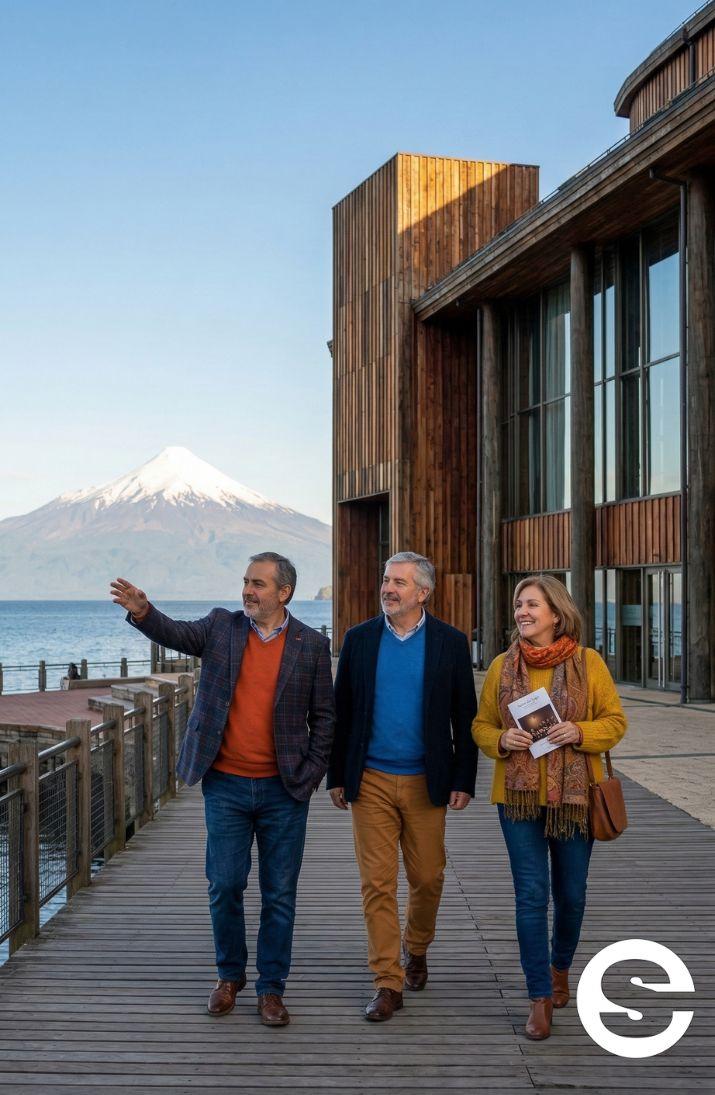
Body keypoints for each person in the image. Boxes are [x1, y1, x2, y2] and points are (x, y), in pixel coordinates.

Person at [109, 553, 335, 1027]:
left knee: (279, 893)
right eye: (246, 581)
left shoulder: (312, 645)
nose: (248, 590)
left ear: (284, 593)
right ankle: (229, 976)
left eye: (259, 584)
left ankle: (272, 988)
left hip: (284, 790)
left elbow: (325, 718)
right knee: (225, 884)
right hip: (226, 784)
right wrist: (144, 612)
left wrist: (311, 773)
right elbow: (176, 633)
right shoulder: (221, 627)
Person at [472, 575, 626, 1041]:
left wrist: (580, 731)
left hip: (575, 801)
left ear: (556, 614)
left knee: (572, 895)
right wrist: (502, 739)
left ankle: (560, 967)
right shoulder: (501, 665)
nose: (522, 611)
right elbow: (481, 725)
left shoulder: (588, 662)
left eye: (532, 605)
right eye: (519, 604)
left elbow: (615, 722)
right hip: (518, 801)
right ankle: (539, 995)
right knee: (531, 895)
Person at [328, 552, 478, 1022]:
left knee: (428, 877)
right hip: (369, 778)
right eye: (386, 579)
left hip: (427, 780)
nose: (388, 589)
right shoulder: (359, 639)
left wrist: (464, 778)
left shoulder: (450, 643)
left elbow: (465, 716)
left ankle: (417, 946)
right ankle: (387, 981)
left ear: (423, 592)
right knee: (376, 883)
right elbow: (341, 711)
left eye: (399, 582)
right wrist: (337, 774)